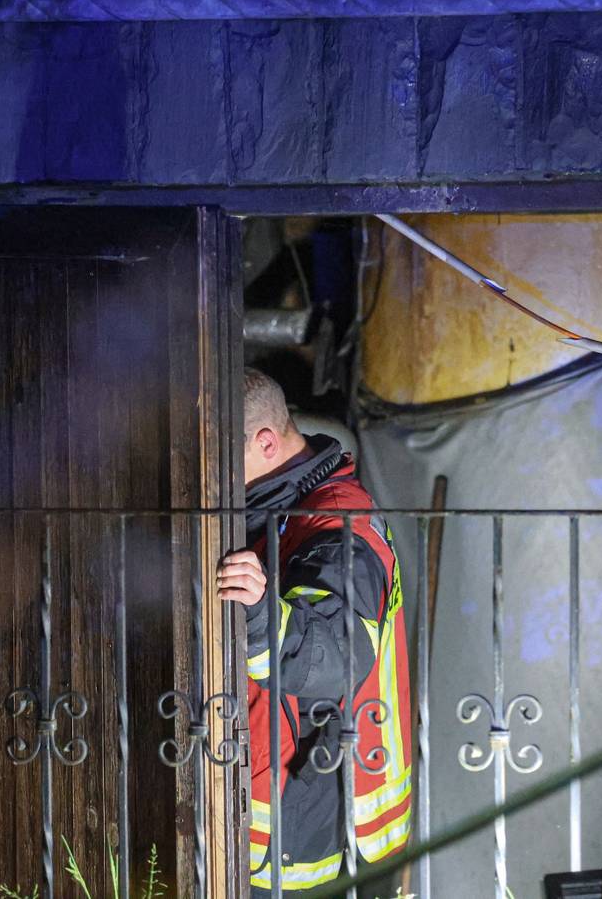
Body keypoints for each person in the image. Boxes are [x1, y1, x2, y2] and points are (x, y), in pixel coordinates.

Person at [217, 368, 412, 895]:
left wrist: (258, 611)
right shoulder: (280, 514)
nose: (209, 473)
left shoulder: (336, 522)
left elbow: (333, 658)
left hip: (309, 820)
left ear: (264, 441)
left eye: (217, 456)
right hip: (292, 803)